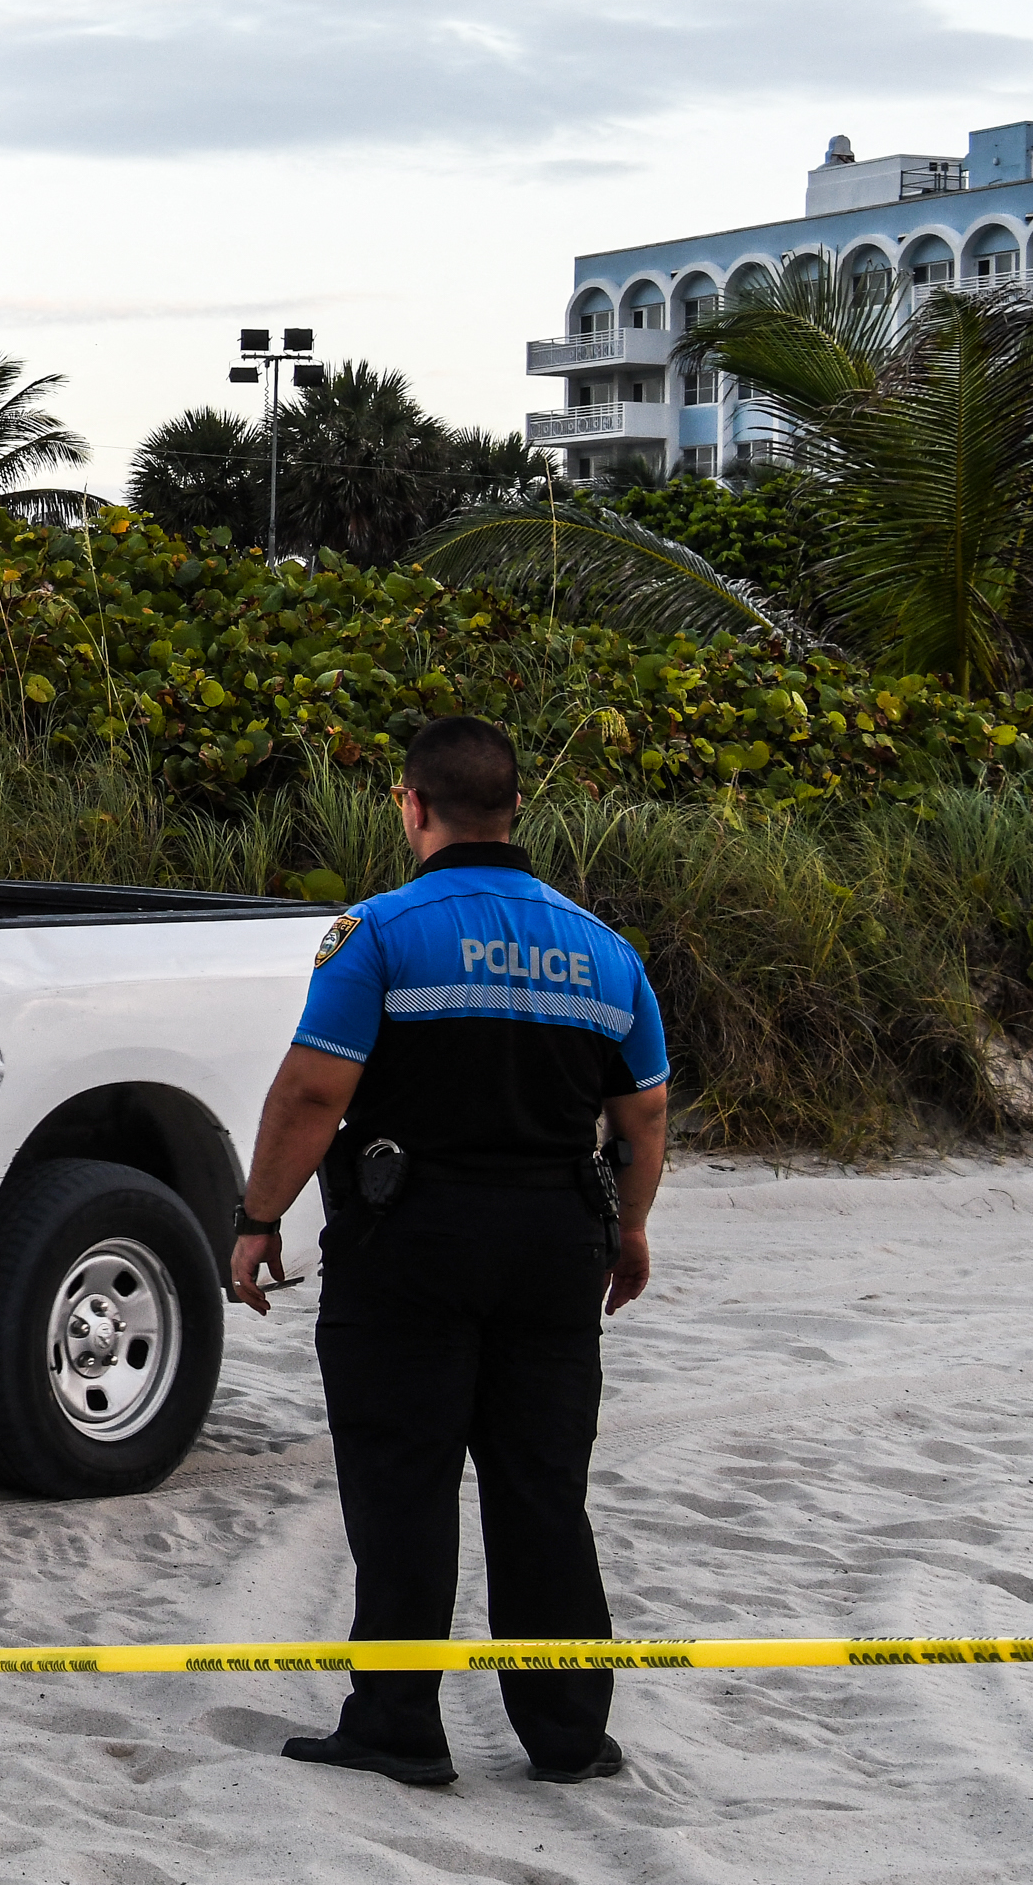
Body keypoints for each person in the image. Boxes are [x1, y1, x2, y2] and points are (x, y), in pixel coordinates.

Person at [228, 715, 668, 1791]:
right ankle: (567, 1730)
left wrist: (258, 1215)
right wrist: (632, 1228)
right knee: (541, 1486)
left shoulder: (375, 932)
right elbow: (644, 1114)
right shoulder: (606, 950)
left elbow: (315, 1089)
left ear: (411, 804)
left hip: (411, 1238)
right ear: (516, 809)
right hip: (557, 1241)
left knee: (404, 1479)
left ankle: (397, 1721)